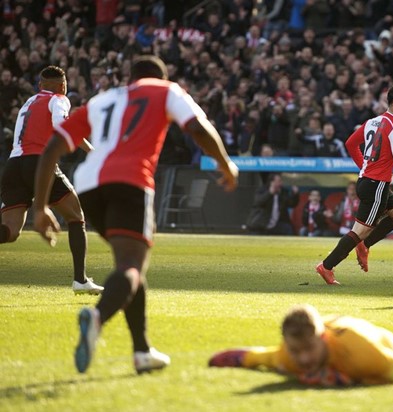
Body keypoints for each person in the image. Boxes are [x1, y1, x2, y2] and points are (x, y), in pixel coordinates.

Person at [32, 55, 239, 373]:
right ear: (161, 76)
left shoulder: (104, 100)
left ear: (131, 76)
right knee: (131, 266)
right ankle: (97, 317)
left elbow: (53, 148)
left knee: (128, 268)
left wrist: (42, 205)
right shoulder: (166, 90)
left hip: (89, 184)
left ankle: (142, 351)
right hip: (131, 181)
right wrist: (226, 164)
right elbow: (197, 127)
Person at [0, 65, 103, 295]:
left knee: (10, 231)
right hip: (39, 163)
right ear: (63, 86)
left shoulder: (28, 103)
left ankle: (82, 280)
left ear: (39, 85)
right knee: (76, 216)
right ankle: (80, 280)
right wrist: (93, 151)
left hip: (14, 165)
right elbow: (62, 127)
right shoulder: (58, 99)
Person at [315, 83, 393, 285]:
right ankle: (327, 266)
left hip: (371, 182)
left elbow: (350, 144)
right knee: (360, 231)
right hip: (376, 186)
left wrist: (364, 167)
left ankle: (364, 246)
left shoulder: (373, 121)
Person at [208, 304, 393, 386]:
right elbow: (262, 357)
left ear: (322, 337)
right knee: (277, 363)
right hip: (335, 335)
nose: (302, 359)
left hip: (383, 343)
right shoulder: (288, 354)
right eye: (295, 351)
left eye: (308, 349)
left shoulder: (361, 354)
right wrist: (239, 357)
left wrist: (350, 380)